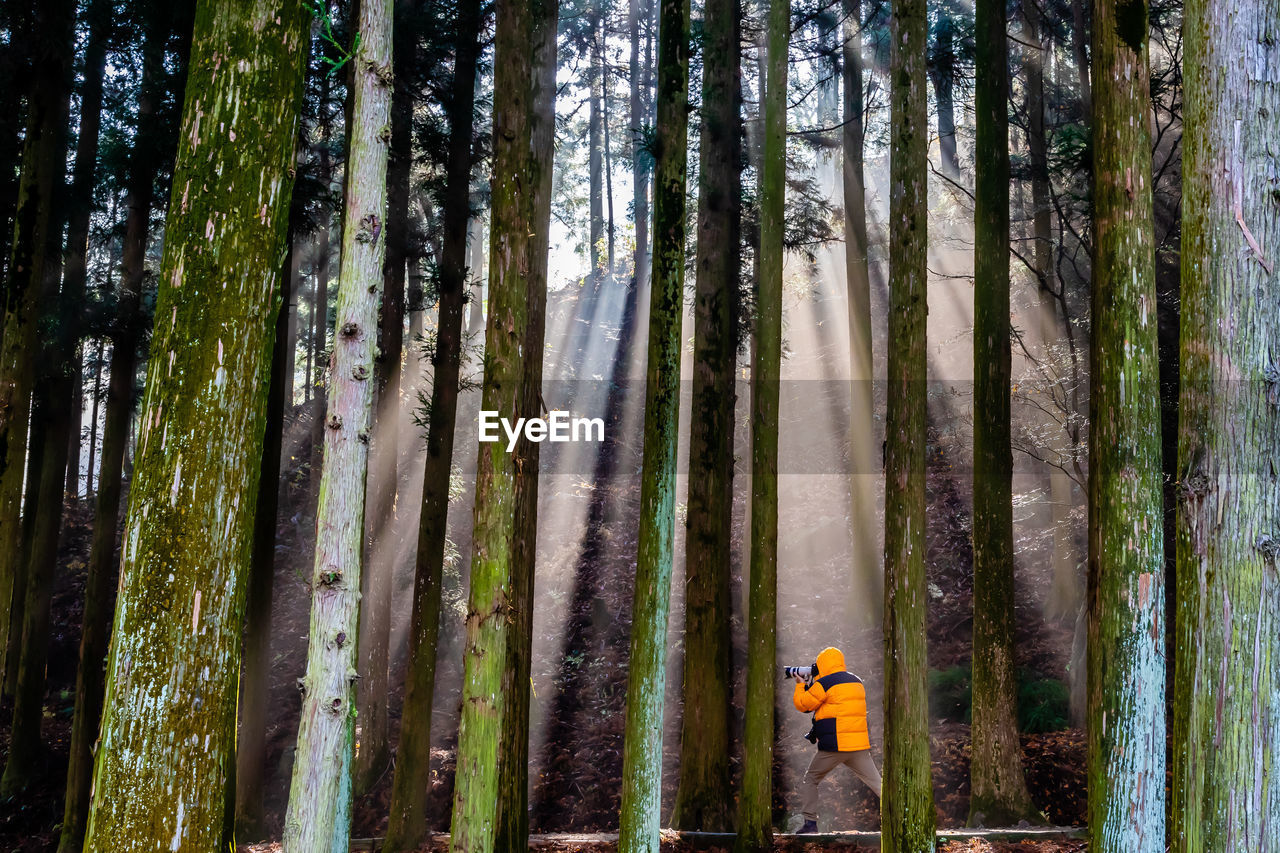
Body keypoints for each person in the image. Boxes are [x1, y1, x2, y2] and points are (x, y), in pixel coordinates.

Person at [791, 646, 882, 833]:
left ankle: (810, 824)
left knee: (811, 779)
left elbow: (803, 705)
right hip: (858, 746)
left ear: (822, 664)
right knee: (878, 784)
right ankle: (902, 814)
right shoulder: (857, 681)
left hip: (835, 747)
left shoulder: (825, 684)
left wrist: (801, 684)